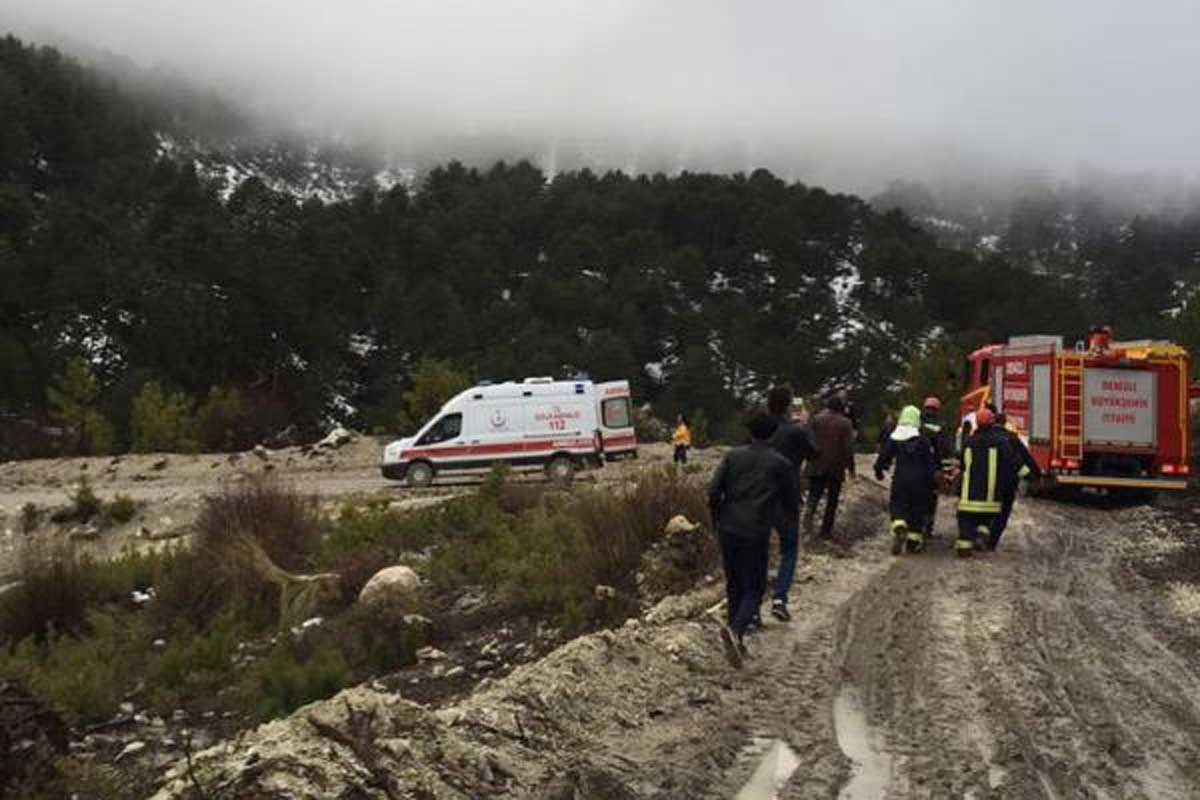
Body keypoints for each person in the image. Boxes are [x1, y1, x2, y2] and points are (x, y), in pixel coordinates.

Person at [708, 412, 799, 667]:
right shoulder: (780, 464)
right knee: (756, 587)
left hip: (728, 528)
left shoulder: (732, 456)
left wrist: (716, 519)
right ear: (773, 434)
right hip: (756, 530)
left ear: (750, 432)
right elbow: (791, 500)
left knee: (734, 582)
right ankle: (736, 631)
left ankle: (736, 637)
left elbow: (714, 490)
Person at [766, 386, 818, 621]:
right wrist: (806, 425)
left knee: (759, 549)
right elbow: (815, 453)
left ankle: (752, 605)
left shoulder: (761, 429)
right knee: (789, 549)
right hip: (787, 496)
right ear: (789, 406)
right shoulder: (795, 431)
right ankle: (779, 598)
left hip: (759, 495)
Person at [874, 405, 939, 555]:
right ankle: (913, 542)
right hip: (920, 482)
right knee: (917, 511)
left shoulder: (895, 438)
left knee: (898, 505)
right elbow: (930, 464)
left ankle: (898, 525)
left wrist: (879, 470)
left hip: (900, 479)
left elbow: (884, 456)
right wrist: (933, 484)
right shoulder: (923, 440)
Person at [955, 407, 1018, 557]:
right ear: (992, 423)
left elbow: (963, 465)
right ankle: (982, 533)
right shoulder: (1001, 442)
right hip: (991, 500)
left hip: (968, 499)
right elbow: (1011, 463)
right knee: (986, 520)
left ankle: (964, 545)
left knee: (966, 521)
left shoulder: (968, 442)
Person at [803, 395, 855, 541]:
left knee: (814, 495)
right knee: (832, 500)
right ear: (841, 408)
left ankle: (808, 519)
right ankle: (825, 531)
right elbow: (848, 448)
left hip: (816, 462)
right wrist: (851, 468)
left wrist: (808, 458)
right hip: (835, 466)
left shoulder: (816, 418)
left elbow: (808, 439)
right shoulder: (846, 423)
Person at [988, 412, 1041, 550]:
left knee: (986, 511)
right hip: (1008, 484)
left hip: (986, 483)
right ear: (1005, 423)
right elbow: (1026, 458)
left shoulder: (985, 436)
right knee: (1003, 513)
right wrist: (1036, 475)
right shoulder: (1012, 438)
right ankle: (991, 542)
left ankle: (981, 537)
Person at [919, 397, 955, 537]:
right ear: (937, 410)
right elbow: (946, 450)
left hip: (916, 466)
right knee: (931, 498)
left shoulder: (917, 423)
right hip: (933, 469)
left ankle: (915, 524)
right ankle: (927, 528)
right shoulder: (941, 426)